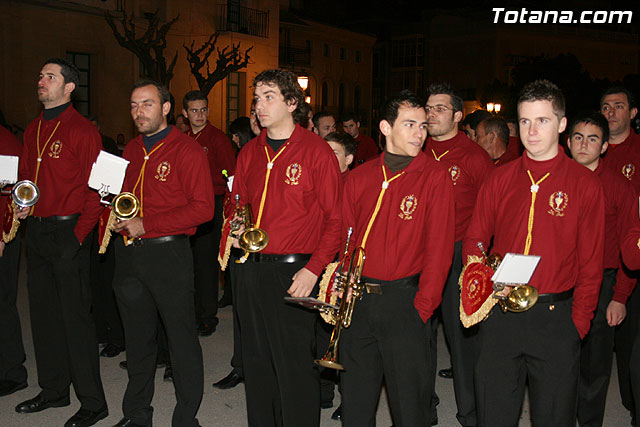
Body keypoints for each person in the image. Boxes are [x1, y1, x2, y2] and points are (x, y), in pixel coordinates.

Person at [465, 79, 605, 426]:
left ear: (561, 124)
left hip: (556, 316)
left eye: (542, 120)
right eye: (525, 121)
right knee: (493, 413)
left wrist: (579, 324)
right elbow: (475, 241)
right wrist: (483, 283)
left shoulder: (584, 185)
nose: (531, 130)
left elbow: (591, 262)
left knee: (554, 417)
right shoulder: (499, 178)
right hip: (501, 315)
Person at [230, 69, 342, 426]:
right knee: (256, 362)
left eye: (269, 97)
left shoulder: (317, 152)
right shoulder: (249, 151)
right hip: (250, 266)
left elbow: (337, 221)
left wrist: (314, 269)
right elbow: (238, 203)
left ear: (292, 103)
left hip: (295, 271)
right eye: (257, 97)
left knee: (293, 366)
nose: (259, 105)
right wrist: (233, 224)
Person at [339, 90, 455, 426]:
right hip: (358, 301)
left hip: (405, 302)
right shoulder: (360, 177)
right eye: (410, 125)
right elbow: (345, 239)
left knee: (408, 405)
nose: (420, 133)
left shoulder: (434, 176)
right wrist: (341, 284)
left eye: (423, 125)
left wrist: (423, 307)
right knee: (356, 401)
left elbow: (440, 249)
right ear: (386, 128)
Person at [110, 79, 214, 427]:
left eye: (147, 104)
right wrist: (114, 216)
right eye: (134, 105)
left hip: (168, 255)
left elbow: (203, 209)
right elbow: (124, 198)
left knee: (180, 338)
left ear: (167, 108)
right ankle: (137, 413)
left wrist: (147, 224)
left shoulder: (187, 150)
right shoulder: (131, 150)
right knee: (138, 340)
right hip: (130, 254)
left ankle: (186, 417)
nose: (138, 112)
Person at [14, 58, 107, 427]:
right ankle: (53, 390)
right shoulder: (33, 128)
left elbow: (96, 191)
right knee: (43, 317)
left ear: (69, 86)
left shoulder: (83, 131)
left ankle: (93, 401)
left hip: (69, 232)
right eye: (40, 76)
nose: (41, 81)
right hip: (36, 231)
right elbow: (26, 177)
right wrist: (21, 205)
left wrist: (78, 236)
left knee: (75, 320)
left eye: (49, 77)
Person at [424, 82, 494, 426]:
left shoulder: (474, 157)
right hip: (419, 252)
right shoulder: (415, 150)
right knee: (418, 334)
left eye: (439, 108)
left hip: (457, 254)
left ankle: (470, 412)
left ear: (456, 114)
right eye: (428, 108)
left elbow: (491, 213)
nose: (431, 114)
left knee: (461, 339)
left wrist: (477, 263)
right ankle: (424, 407)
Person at [566, 111, 637, 427]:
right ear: (568, 143)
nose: (584, 145)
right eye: (578, 137)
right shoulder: (555, 179)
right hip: (561, 280)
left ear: (605, 146)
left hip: (603, 283)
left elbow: (630, 243)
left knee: (595, 364)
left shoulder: (619, 187)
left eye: (592, 139)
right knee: (560, 358)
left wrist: (620, 296)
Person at [182, 90, 237, 337]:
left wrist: (224, 190)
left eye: (203, 109)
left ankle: (207, 315)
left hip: (211, 203)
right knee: (188, 261)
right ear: (185, 113)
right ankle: (191, 310)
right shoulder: (182, 139)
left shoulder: (217, 138)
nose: (200, 115)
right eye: (194, 110)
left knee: (205, 262)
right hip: (185, 205)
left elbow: (230, 174)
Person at [0, 125, 27, 398]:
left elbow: (9, 195)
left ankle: (13, 371)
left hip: (3, 233)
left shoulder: (5, 141)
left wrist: (1, 235)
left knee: (2, 303)